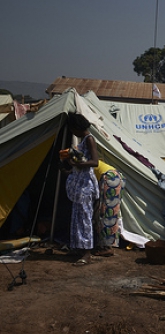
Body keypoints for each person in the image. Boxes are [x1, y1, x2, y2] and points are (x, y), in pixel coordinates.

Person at [63, 113, 99, 266]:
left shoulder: (89, 139)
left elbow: (95, 162)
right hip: (79, 183)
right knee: (77, 216)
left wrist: (77, 164)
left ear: (77, 128)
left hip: (85, 185)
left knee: (84, 218)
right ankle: (78, 247)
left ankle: (87, 253)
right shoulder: (83, 140)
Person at [92, 160, 125, 257]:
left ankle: (107, 247)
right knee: (111, 212)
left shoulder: (84, 163)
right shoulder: (88, 160)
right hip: (116, 177)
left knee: (106, 212)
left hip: (110, 178)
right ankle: (106, 245)